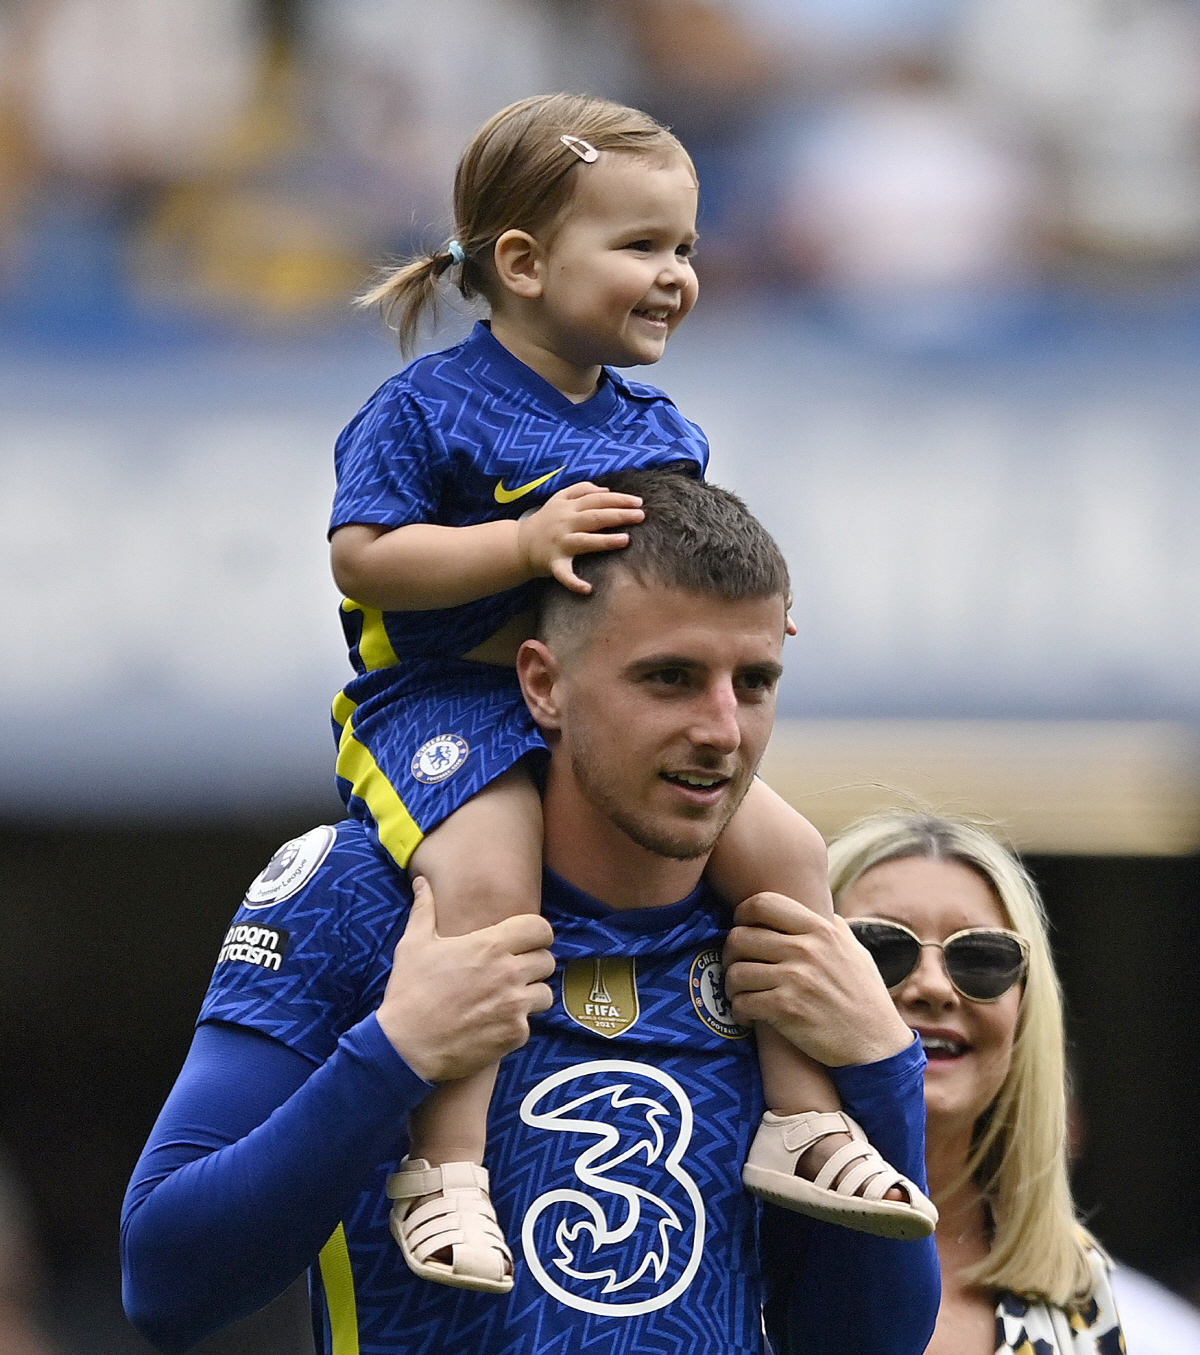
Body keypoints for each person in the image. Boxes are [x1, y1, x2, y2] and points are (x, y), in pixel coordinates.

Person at [122, 471, 941, 1355]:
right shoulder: (365, 896)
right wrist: (395, 1053)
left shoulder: (774, 940)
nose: (722, 728)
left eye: (755, 682)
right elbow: (166, 1281)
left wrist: (883, 1070)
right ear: (543, 684)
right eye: (670, 678)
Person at [326, 91, 934, 1291]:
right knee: (488, 878)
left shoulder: (660, 427)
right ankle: (445, 1168)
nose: (676, 276)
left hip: (598, 715)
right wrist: (519, 543)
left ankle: (802, 1118)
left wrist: (739, 609)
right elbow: (364, 558)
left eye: (686, 248)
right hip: (443, 700)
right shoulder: (424, 407)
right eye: (642, 245)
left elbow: (681, 568)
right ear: (524, 263)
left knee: (789, 852)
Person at [768, 811, 1151, 1355]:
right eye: (881, 948)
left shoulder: (1073, 1281)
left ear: (1026, 1009)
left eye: (982, 958)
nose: (934, 986)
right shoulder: (727, 1256)